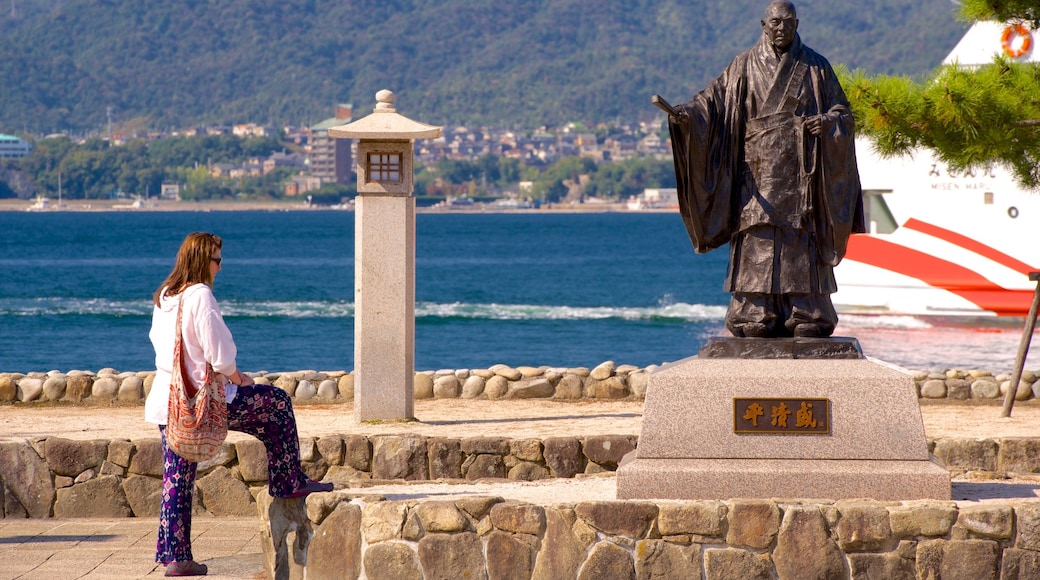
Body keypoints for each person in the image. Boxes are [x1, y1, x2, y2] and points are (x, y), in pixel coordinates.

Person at [666, 0, 865, 338]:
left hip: (801, 174)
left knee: (799, 240)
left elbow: (842, 113)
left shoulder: (816, 67)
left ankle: (807, 311)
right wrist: (688, 116)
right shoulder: (743, 65)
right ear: (763, 23)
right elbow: (711, 102)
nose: (780, 28)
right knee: (756, 238)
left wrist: (827, 122)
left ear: (797, 23)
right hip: (755, 175)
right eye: (774, 22)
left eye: (787, 22)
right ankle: (754, 313)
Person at [145, 232, 332, 577]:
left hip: (167, 400)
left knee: (177, 478)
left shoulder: (165, 296)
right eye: (217, 260)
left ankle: (176, 557)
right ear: (203, 261)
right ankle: (287, 479)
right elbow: (220, 354)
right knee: (275, 404)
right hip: (204, 401)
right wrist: (237, 377)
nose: (220, 267)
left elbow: (163, 345)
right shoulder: (200, 296)